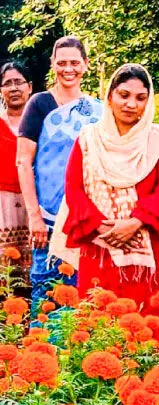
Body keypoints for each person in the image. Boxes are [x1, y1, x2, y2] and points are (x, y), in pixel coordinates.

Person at [49, 63, 159, 314]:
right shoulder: (89, 139)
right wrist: (100, 225)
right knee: (101, 322)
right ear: (110, 96)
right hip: (100, 243)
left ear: (148, 102)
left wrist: (135, 222)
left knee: (153, 325)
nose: (131, 104)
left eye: (140, 98)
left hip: (152, 243)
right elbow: (73, 188)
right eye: (124, 95)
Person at [17, 37, 103, 312]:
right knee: (48, 296)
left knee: (87, 297)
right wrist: (35, 217)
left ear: (86, 65)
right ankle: (42, 354)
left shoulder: (98, 110)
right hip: (50, 218)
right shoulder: (40, 104)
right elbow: (23, 162)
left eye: (75, 63)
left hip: (89, 218)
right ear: (53, 64)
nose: (69, 69)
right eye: (62, 62)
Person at [1, 62, 33, 285]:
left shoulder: (43, 121)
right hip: (2, 202)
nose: (13, 88)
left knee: (33, 267)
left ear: (29, 86)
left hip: (34, 201)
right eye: (7, 83)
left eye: (18, 82)